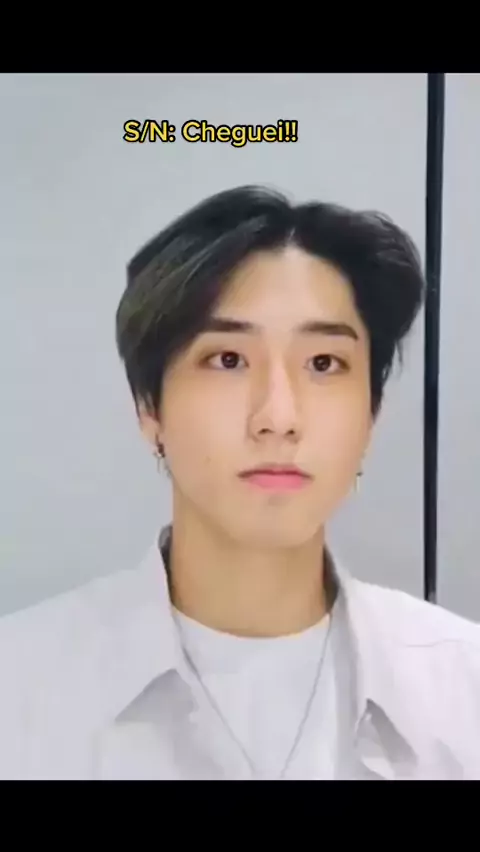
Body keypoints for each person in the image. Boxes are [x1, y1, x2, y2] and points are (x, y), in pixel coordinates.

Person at [1, 185, 480, 781]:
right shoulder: (19, 689)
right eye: (228, 360)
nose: (278, 416)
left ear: (371, 414)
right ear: (150, 406)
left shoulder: (463, 690)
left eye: (324, 363)